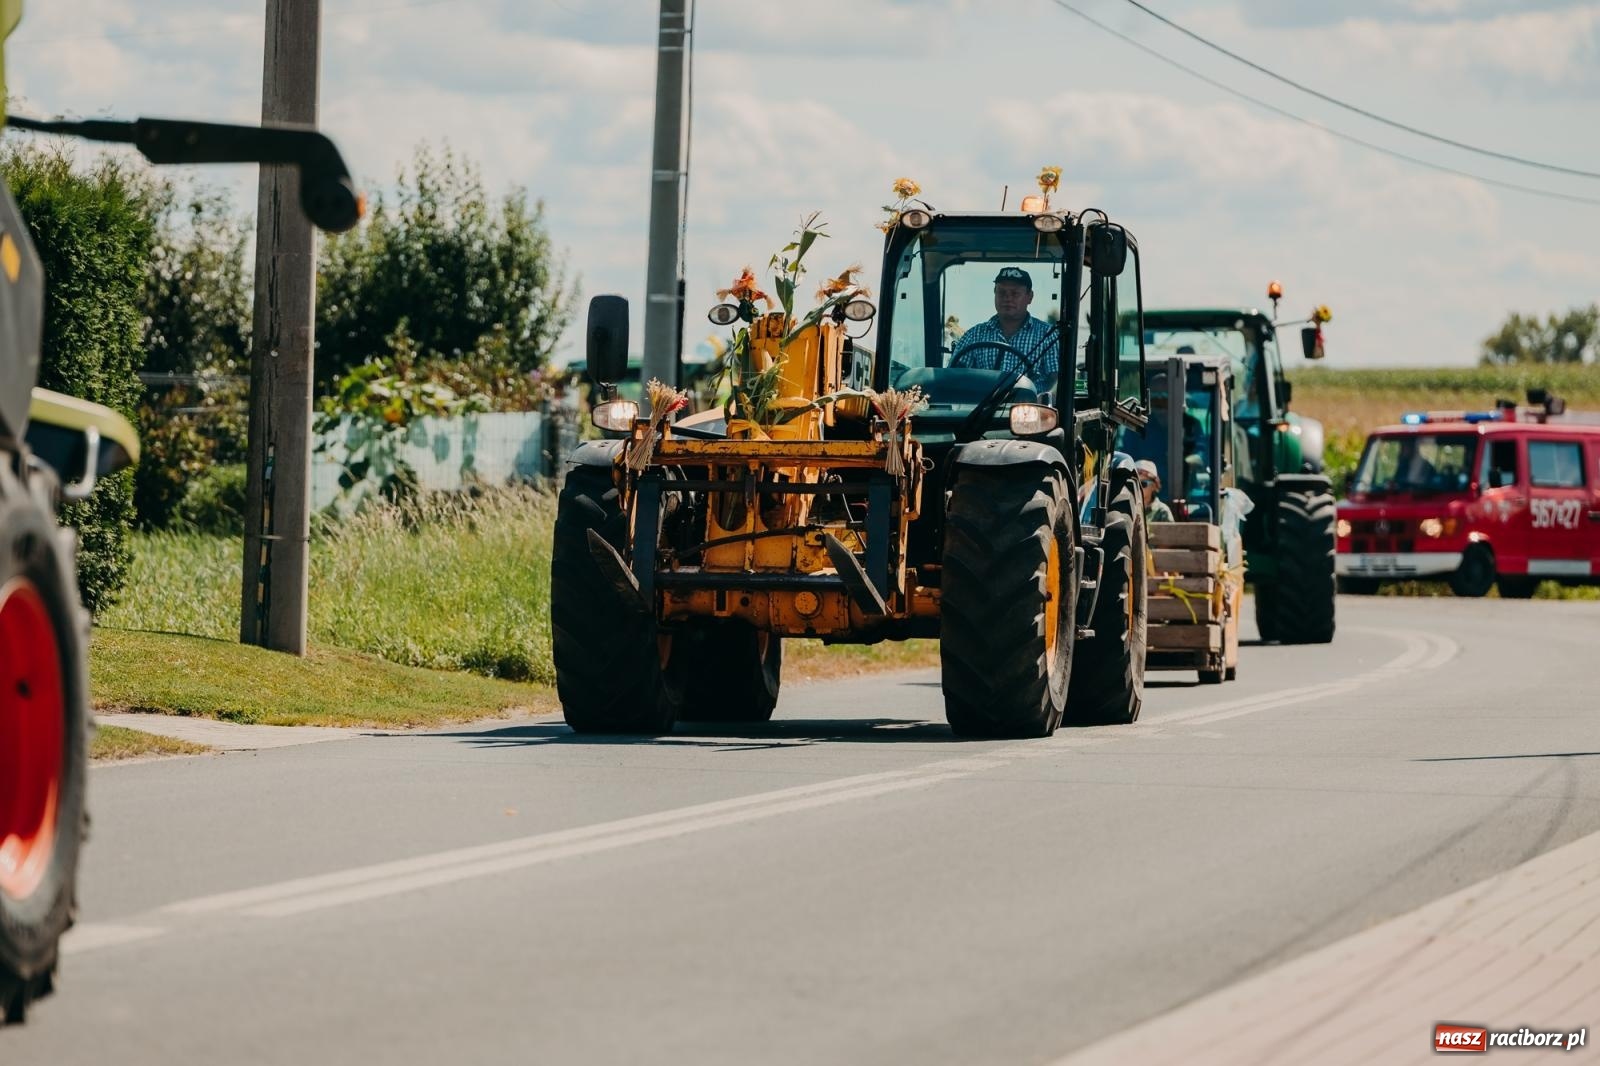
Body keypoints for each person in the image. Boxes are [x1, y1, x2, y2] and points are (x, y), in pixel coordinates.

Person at [950, 267, 1059, 376]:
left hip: (1031, 393)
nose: (1007, 298)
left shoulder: (1048, 336)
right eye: (1002, 292)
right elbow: (953, 378)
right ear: (995, 294)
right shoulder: (973, 336)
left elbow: (1057, 380)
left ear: (1030, 297)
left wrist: (1044, 393)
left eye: (1015, 293)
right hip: (984, 393)